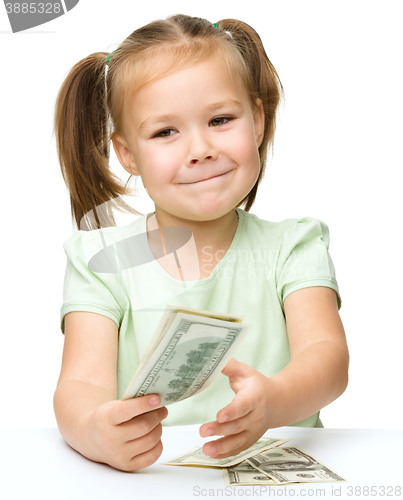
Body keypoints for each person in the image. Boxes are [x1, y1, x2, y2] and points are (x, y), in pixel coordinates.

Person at [53, 14, 349, 473]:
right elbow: (78, 385)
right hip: (153, 479)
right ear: (128, 153)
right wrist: (94, 428)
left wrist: (276, 400)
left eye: (220, 119)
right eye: (165, 132)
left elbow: (327, 359)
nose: (200, 148)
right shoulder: (99, 262)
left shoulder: (294, 245)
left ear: (257, 121)